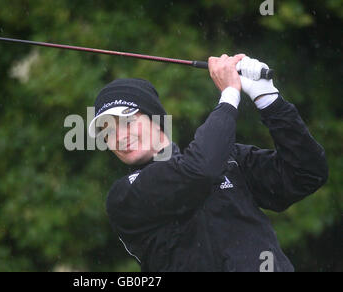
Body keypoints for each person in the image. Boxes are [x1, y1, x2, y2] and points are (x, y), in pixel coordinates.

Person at [87, 54, 328, 272]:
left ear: (156, 119)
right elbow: (199, 171)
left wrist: (268, 99)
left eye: (127, 122)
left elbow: (306, 173)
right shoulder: (125, 195)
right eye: (107, 132)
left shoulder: (230, 160)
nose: (118, 137)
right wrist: (230, 95)